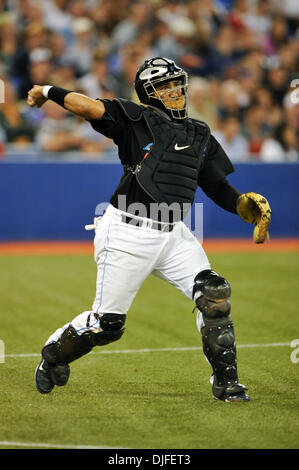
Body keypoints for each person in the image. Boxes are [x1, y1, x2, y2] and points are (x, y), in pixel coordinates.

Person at [27, 57, 271, 402]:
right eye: (163, 85)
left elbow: (215, 185)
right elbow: (88, 107)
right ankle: (52, 356)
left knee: (214, 295)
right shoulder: (135, 118)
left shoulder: (200, 131)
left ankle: (226, 383)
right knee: (107, 325)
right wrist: (48, 91)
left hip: (174, 234)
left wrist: (241, 206)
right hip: (127, 230)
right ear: (148, 93)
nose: (173, 90)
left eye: (176, 83)